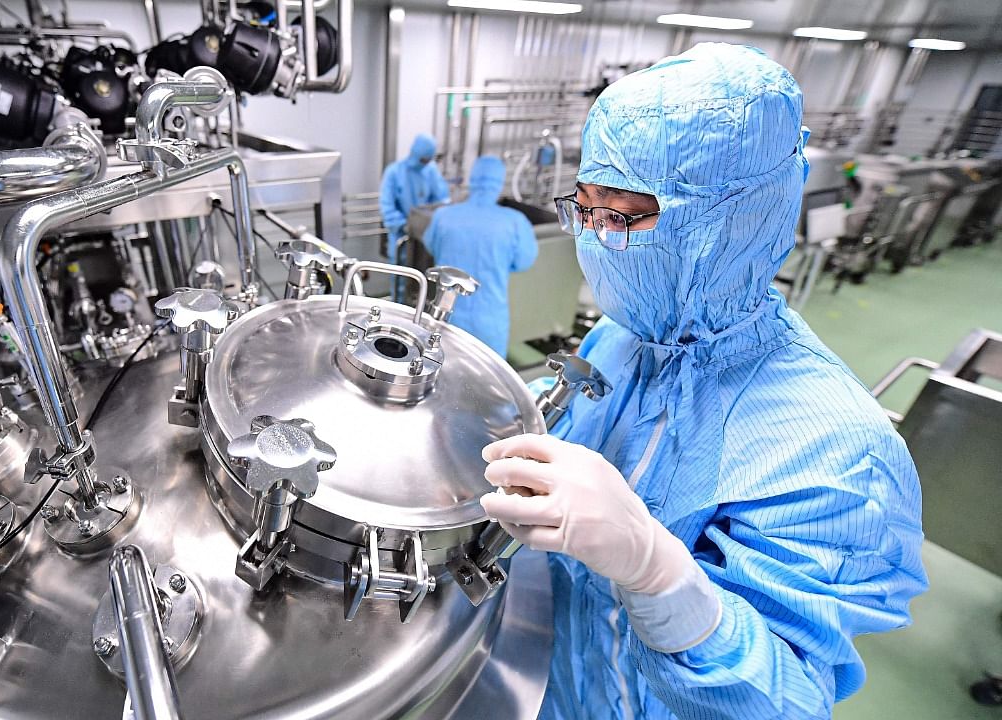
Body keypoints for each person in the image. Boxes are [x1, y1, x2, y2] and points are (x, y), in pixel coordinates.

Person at [478, 43, 927, 720]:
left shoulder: (840, 452)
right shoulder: (624, 339)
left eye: (624, 215)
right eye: (586, 208)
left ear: (728, 221)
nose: (597, 240)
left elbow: (783, 701)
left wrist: (660, 575)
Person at [423, 155, 538, 357]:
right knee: (485, 380)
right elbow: (523, 262)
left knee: (439, 366)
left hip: (446, 314)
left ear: (472, 179)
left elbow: (432, 246)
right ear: (499, 182)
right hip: (490, 320)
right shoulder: (514, 222)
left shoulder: (444, 216)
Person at [379, 133, 450, 296]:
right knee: (400, 282)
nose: (424, 163)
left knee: (426, 283)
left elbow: (441, 200)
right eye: (423, 159)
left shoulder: (431, 172)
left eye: (427, 160)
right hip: (402, 239)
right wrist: (406, 226)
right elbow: (387, 207)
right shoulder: (394, 172)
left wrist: (431, 225)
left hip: (426, 240)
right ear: (414, 153)